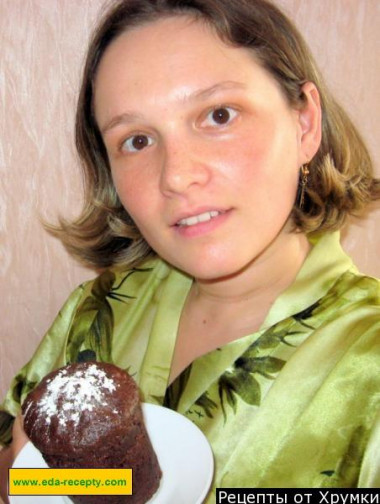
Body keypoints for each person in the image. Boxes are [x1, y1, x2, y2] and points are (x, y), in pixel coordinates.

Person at [1, 0, 379, 500]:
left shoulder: (367, 364)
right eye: (137, 140)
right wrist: (22, 483)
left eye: (218, 115)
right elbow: (32, 475)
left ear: (305, 123)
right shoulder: (99, 311)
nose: (176, 175)